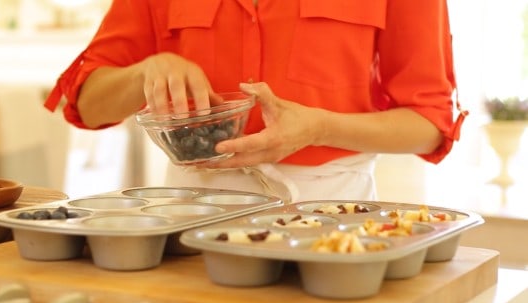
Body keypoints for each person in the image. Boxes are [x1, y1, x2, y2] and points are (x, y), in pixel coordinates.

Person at [44, 0, 467, 203]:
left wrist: (320, 127)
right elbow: (86, 102)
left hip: (331, 221)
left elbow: (429, 125)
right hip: (190, 218)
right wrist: (145, 72)